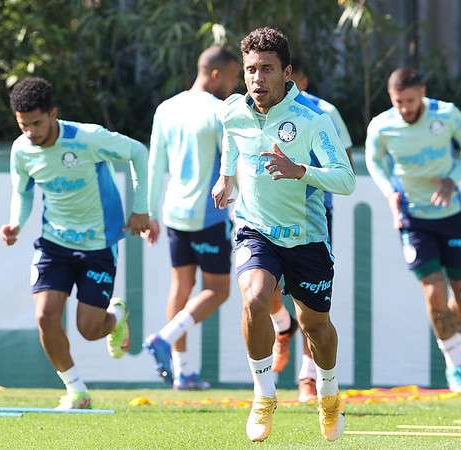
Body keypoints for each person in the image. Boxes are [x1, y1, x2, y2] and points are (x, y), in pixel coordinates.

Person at [211, 27, 355, 442]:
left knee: (316, 329)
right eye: (251, 70)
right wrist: (225, 179)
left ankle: (328, 395)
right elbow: (232, 142)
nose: (257, 79)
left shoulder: (313, 120)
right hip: (255, 229)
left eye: (267, 69)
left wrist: (300, 171)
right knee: (255, 297)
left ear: (287, 72)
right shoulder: (233, 111)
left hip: (307, 237)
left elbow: (346, 180)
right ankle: (263, 396)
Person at [0, 77, 149, 409]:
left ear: (53, 114)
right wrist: (15, 223)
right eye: (24, 126)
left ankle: (115, 318)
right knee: (45, 316)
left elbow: (138, 152)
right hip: (54, 244)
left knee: (89, 329)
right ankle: (76, 390)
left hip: (98, 245)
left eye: (37, 123)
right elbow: (22, 194)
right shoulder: (22, 150)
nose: (31, 133)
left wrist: (141, 209)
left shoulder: (87, 139)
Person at [365, 68, 461, 393]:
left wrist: (451, 179)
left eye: (411, 100)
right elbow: (374, 161)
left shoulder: (446, 114)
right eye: (398, 101)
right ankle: (456, 367)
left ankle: (454, 347)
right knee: (433, 292)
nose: (405, 108)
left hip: (452, 215)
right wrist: (390, 193)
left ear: (423, 93)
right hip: (413, 219)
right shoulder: (383, 125)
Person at [141, 46, 241, 391]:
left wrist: (149, 213)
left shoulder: (166, 108)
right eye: (233, 76)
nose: (235, 84)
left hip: (173, 213)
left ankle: (182, 373)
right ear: (216, 74)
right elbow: (231, 166)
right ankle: (164, 338)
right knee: (218, 290)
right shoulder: (220, 110)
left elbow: (155, 164)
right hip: (208, 215)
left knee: (180, 287)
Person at [269, 57, 354, 403]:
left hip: (313, 215)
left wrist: (305, 172)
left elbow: (343, 159)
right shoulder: (257, 110)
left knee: (310, 303)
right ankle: (280, 323)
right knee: (264, 289)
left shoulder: (323, 112)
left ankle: (307, 378)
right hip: (267, 217)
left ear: (295, 76)